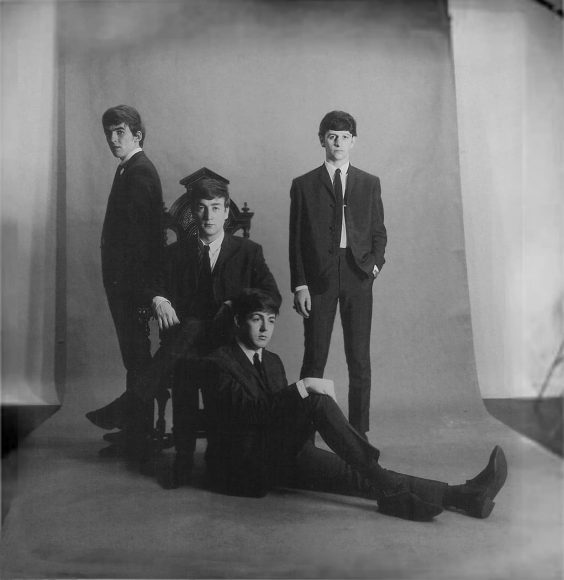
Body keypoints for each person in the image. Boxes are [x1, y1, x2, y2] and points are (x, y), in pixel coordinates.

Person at [198, 289, 508, 522]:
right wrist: (303, 388)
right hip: (240, 471)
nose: (265, 329)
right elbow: (251, 415)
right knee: (315, 400)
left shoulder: (273, 361)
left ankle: (464, 496)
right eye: (256, 320)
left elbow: (279, 418)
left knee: (366, 475)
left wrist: (300, 430)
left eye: (271, 321)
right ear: (238, 321)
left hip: (278, 455)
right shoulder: (217, 363)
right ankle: (388, 486)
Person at [87, 178, 281, 475]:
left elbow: (272, 296)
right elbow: (150, 283)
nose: (208, 216)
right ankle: (183, 458)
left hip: (227, 343)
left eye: (216, 208)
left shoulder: (248, 252)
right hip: (186, 347)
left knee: (190, 328)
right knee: (189, 341)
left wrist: (236, 304)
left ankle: (131, 402)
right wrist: (159, 298)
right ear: (192, 212)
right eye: (201, 209)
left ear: (227, 212)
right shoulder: (175, 253)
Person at [289, 111, 387, 437]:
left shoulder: (369, 183)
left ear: (354, 141)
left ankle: (359, 435)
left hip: (358, 274)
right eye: (332, 136)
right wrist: (300, 285)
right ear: (322, 140)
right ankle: (303, 434)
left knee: (359, 359)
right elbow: (296, 240)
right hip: (319, 278)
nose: (339, 143)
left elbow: (378, 232)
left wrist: (374, 265)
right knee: (314, 356)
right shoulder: (303, 186)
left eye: (345, 137)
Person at [87, 105, 164, 443]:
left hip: (133, 285)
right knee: (134, 356)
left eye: (120, 132)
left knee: (136, 355)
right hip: (128, 283)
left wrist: (141, 290)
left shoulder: (140, 172)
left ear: (138, 135)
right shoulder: (129, 169)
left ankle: (139, 429)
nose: (113, 139)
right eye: (109, 132)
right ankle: (138, 426)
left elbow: (138, 242)